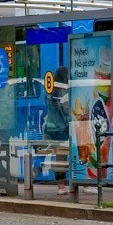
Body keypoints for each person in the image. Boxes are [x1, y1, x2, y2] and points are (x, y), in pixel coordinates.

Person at [43, 67, 71, 196]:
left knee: (59, 157)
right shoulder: (63, 91)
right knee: (81, 151)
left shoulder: (50, 92)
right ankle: (85, 183)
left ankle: (60, 187)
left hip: (51, 129)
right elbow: (66, 112)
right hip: (62, 129)